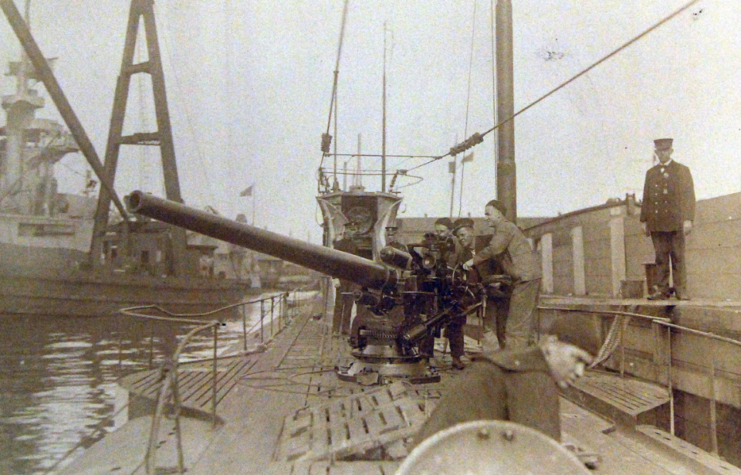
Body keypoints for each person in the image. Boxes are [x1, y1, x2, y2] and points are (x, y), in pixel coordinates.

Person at [413, 337, 593, 446]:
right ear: (551, 344)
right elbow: (542, 456)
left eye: (585, 365)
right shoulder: (533, 376)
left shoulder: (516, 362)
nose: (579, 372)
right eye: (576, 358)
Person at [464, 199, 541, 350]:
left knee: (514, 327)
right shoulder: (507, 228)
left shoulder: (504, 227)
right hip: (527, 277)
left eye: (488, 214)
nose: (485, 218)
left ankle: (514, 365)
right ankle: (529, 362)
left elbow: (495, 249)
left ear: (498, 214)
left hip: (525, 279)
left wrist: (473, 261)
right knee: (525, 325)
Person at [640, 138, 695, 300]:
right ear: (655, 153)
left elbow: (689, 196)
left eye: (665, 151)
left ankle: (681, 290)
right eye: (659, 151)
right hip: (657, 223)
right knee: (661, 258)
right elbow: (646, 198)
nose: (662, 154)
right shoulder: (651, 174)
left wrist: (688, 219)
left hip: (676, 222)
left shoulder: (682, 170)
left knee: (678, 256)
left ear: (671, 151)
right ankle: (662, 291)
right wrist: (644, 220)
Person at [332, 228, 359, 334]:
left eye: (351, 231)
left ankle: (345, 328)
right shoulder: (338, 245)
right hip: (341, 278)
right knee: (339, 304)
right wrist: (335, 278)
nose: (349, 233)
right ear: (344, 232)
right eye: (347, 231)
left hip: (351, 279)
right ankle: (335, 329)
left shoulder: (354, 246)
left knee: (349, 304)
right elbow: (333, 263)